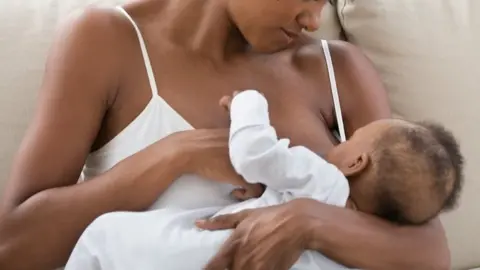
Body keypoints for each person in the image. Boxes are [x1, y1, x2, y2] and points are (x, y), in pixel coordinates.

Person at [0, 0, 452, 269]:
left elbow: (429, 251)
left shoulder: (340, 69)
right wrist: (177, 154)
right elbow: (14, 247)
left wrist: (306, 222)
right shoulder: (106, 40)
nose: (314, 20)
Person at [63, 89, 463, 270]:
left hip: (205, 253)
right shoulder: (363, 247)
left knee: (106, 235)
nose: (313, 18)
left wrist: (248, 104)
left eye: (349, 138)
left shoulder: (324, 178)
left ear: (356, 162)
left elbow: (253, 153)